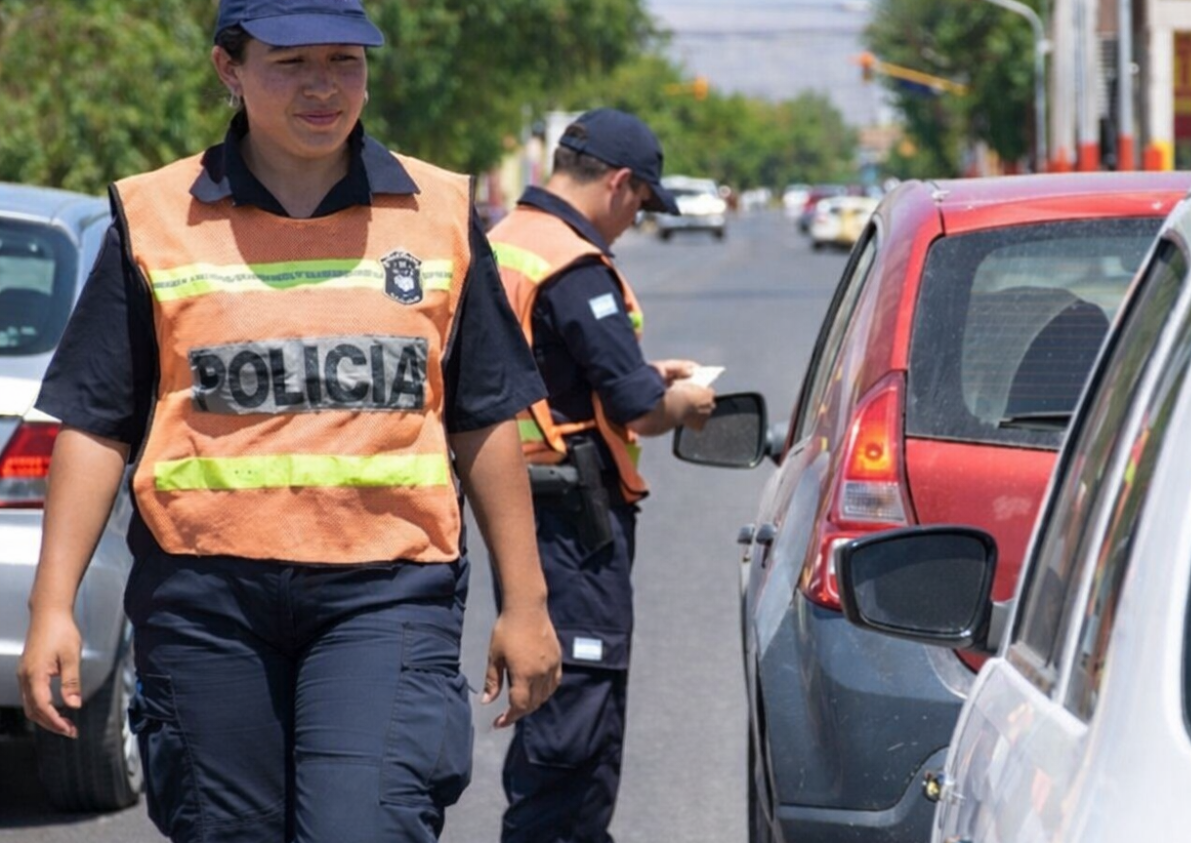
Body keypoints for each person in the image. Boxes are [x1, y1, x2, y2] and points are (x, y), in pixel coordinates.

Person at [16, 2, 562, 841]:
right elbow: (95, 423)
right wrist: (53, 604)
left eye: (345, 60)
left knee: (365, 826)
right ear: (229, 70)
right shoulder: (156, 217)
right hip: (206, 600)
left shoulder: (439, 213)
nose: (324, 87)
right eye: (291, 63)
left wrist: (525, 601)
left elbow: (485, 416)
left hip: (387, 592)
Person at [487, 109, 716, 843]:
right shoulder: (573, 264)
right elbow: (640, 408)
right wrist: (687, 401)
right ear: (620, 183)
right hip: (574, 526)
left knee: (557, 706)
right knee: (575, 723)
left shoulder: (505, 242)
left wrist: (642, 374)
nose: (634, 220)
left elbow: (548, 375)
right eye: (641, 203)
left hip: (522, 509)